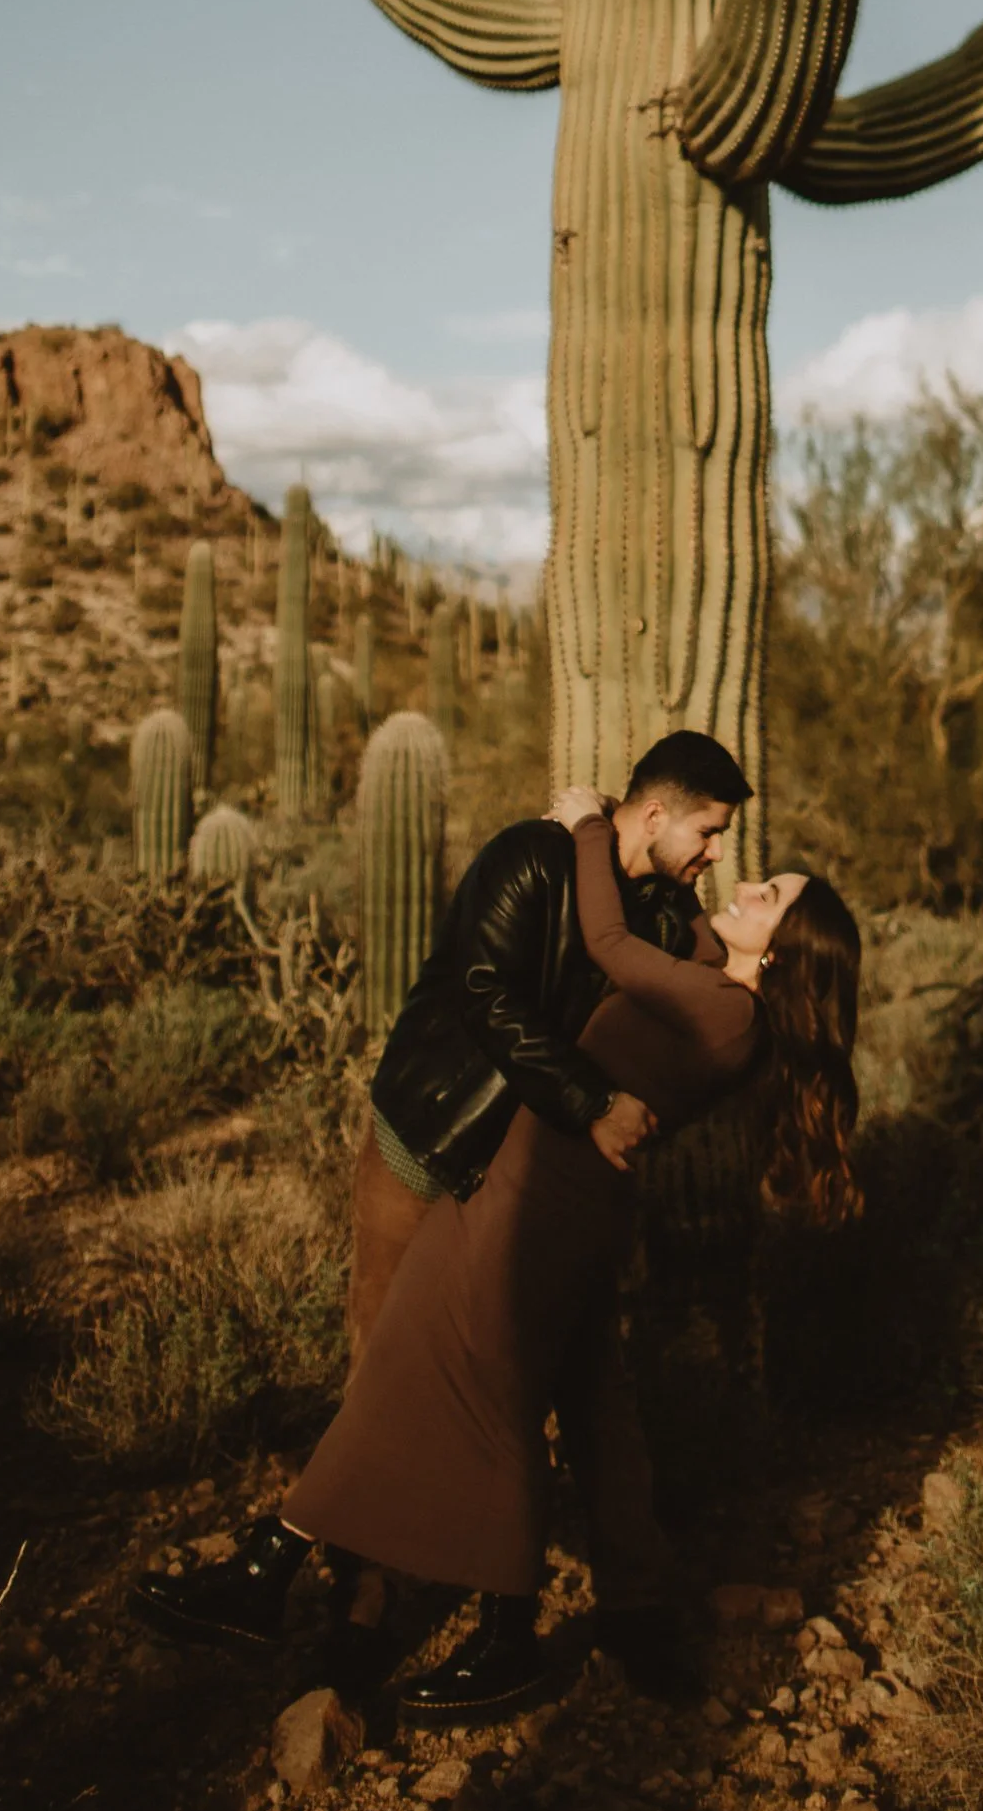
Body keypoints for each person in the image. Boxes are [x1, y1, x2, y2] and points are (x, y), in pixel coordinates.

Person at [133, 728, 748, 1665]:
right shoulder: (531, 859)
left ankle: (610, 1607)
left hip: (537, 1182)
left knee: (584, 1382)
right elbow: (487, 996)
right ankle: (364, 1608)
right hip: (433, 1141)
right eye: (707, 833)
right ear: (657, 812)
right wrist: (591, 1102)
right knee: (385, 1360)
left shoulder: (660, 911)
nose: (714, 855)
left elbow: (707, 974)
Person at [257, 789, 861, 1728]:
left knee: (494, 1396)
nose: (742, 878)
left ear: (780, 951)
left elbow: (614, 946)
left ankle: (472, 1622)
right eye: (720, 843)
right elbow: (665, 928)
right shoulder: (712, 973)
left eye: (770, 893)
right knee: (581, 1398)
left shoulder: (723, 1009)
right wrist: (638, 842)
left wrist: (589, 824)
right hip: (553, 1196)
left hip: (545, 1204)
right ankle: (603, 1610)